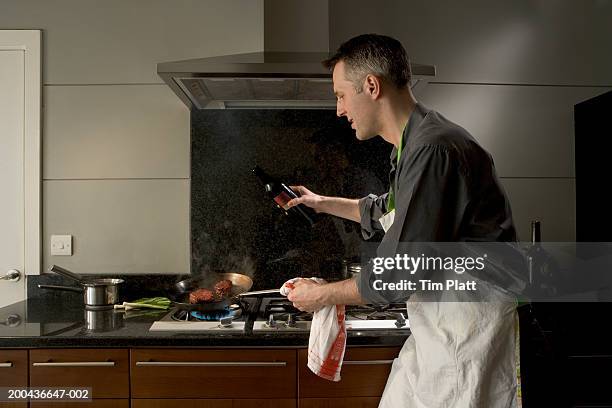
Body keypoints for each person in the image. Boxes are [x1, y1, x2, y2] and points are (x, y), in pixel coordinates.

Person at [286, 34, 524, 407]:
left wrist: (322, 295)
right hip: (443, 326)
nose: (338, 109)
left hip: (470, 331)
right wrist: (319, 202)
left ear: (371, 85)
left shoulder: (432, 149)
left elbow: (400, 272)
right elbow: (387, 210)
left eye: (340, 95)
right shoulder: (413, 144)